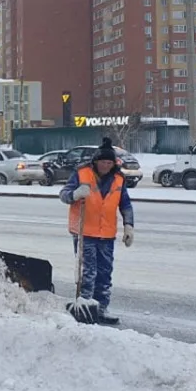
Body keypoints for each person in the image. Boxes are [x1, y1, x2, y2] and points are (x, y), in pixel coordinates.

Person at [59, 137, 134, 325]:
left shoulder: (119, 178)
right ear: (96, 161)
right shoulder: (82, 174)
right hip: (84, 231)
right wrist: (75, 194)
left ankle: (101, 307)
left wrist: (128, 225)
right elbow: (64, 195)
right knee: (88, 270)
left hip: (107, 233)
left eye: (109, 162)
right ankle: (85, 305)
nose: (106, 166)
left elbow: (125, 204)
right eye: (103, 162)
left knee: (105, 271)